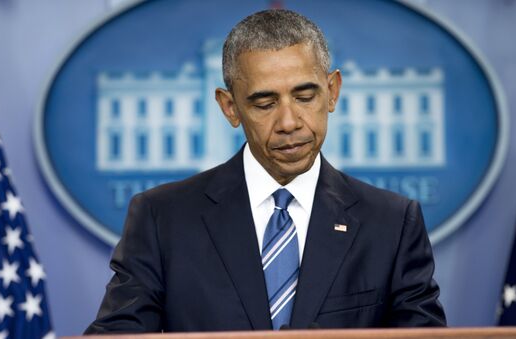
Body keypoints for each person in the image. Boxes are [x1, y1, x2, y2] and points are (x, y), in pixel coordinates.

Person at [85, 9, 446, 334]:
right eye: (265, 103)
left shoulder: (392, 223)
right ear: (230, 108)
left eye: (305, 97)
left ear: (333, 91)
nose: (289, 122)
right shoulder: (162, 218)